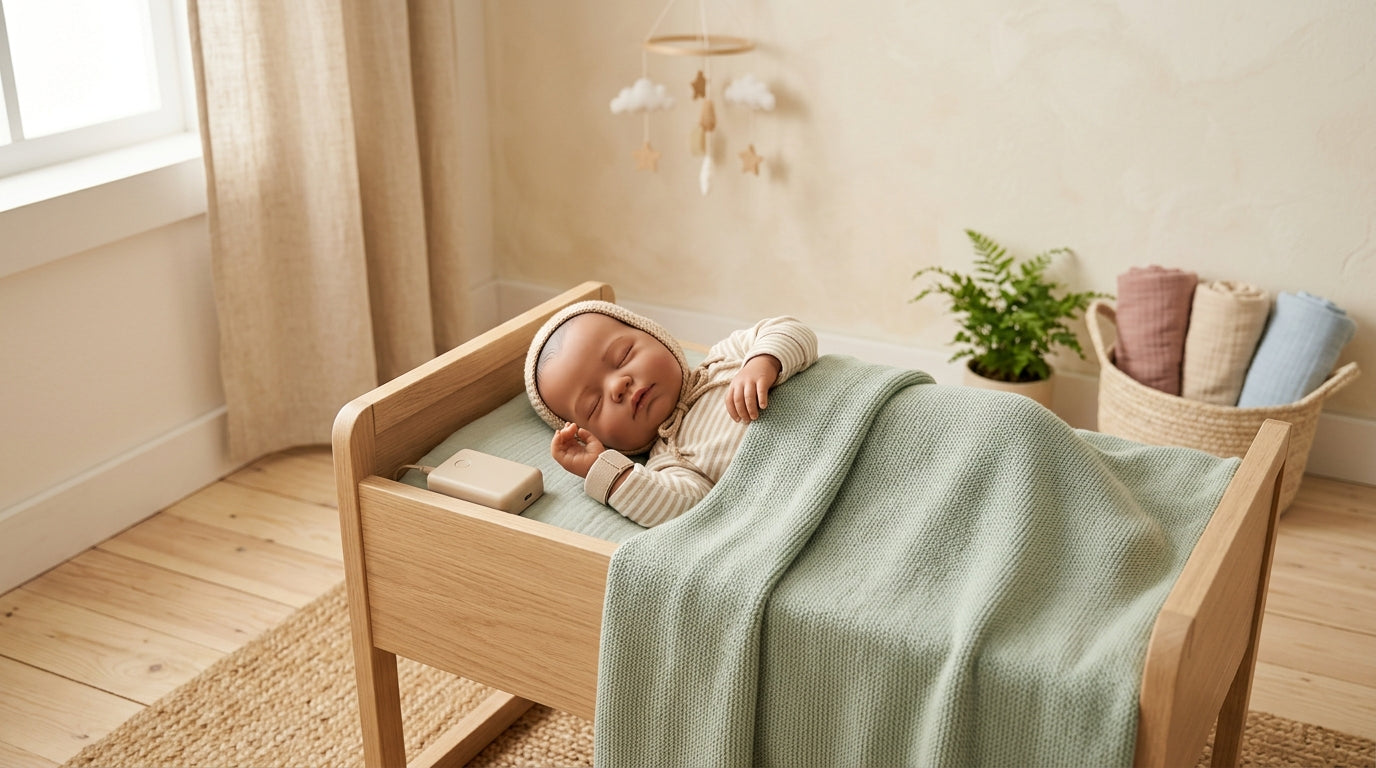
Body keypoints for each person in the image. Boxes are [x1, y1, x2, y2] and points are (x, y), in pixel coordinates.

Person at [524, 300, 818, 527]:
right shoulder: (670, 462)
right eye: (594, 405)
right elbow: (679, 509)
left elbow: (794, 331)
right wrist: (601, 469)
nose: (618, 386)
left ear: (655, 335)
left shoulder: (727, 357)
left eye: (623, 356)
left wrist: (762, 361)